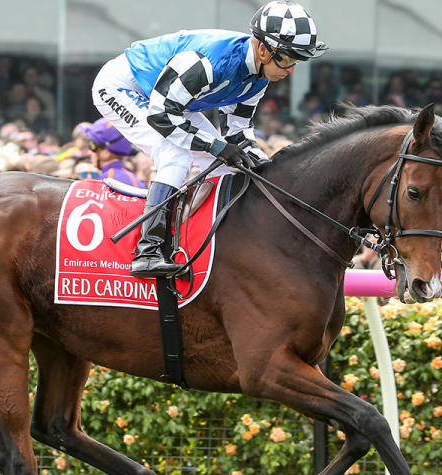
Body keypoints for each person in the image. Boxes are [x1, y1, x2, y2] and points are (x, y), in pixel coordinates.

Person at [90, 0, 326, 277]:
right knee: (176, 154)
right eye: (287, 58)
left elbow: (238, 133)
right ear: (263, 49)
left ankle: (228, 244)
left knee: (231, 167)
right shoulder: (207, 63)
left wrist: (264, 166)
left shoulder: (260, 77)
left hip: (172, 101)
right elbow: (161, 118)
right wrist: (215, 145)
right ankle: (148, 250)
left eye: (298, 60)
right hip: (124, 87)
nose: (292, 70)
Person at [81, 118, 145, 189]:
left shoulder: (106, 182)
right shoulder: (135, 180)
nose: (89, 152)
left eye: (92, 146)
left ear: (106, 153)